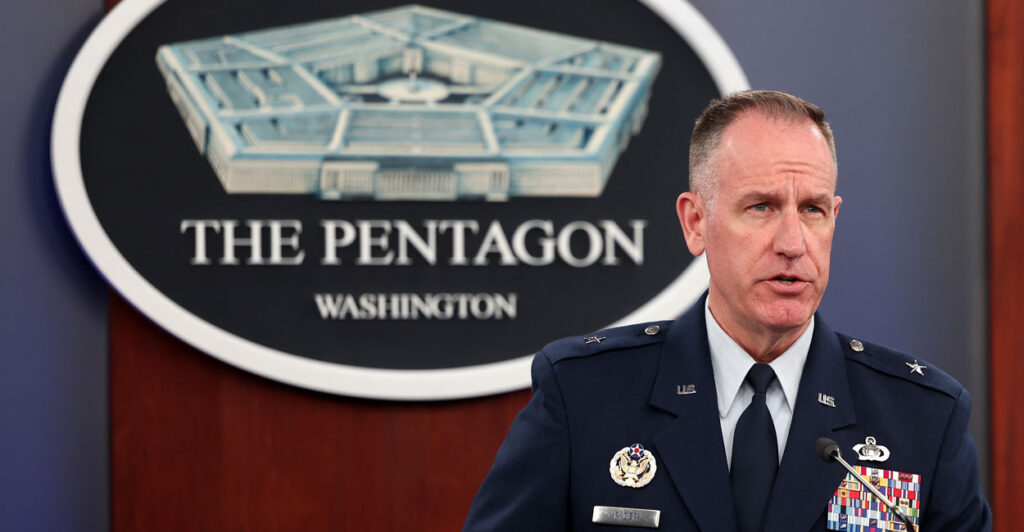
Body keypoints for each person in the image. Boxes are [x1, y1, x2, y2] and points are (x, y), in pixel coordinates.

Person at [463, 90, 991, 531]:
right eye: (760, 207)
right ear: (696, 223)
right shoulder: (584, 395)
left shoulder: (923, 417)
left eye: (812, 210)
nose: (792, 242)